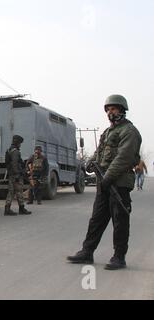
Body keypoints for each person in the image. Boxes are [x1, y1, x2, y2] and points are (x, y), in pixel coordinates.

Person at [67, 94, 142, 270]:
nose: (110, 112)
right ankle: (87, 252)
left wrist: (108, 177)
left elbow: (124, 157)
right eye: (108, 109)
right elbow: (101, 152)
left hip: (119, 183)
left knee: (119, 220)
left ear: (122, 110)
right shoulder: (108, 132)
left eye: (113, 108)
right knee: (97, 219)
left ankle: (119, 256)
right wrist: (91, 161)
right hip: (105, 183)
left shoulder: (129, 131)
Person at [4, 135, 32, 216]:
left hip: (11, 174)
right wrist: (17, 174)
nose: (20, 145)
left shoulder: (9, 150)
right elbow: (15, 164)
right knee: (19, 191)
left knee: (11, 192)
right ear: (17, 143)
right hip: (16, 175)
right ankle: (21, 208)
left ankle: (7, 209)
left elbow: (8, 164)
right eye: (20, 143)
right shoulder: (15, 152)